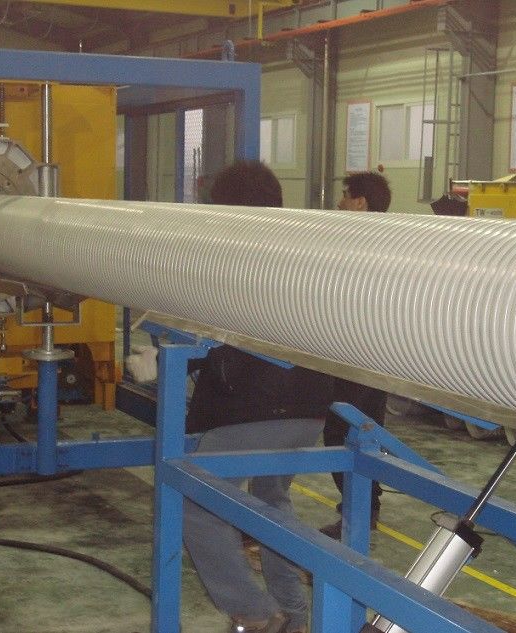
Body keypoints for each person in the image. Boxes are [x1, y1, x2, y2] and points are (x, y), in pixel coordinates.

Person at [183, 161, 333, 633]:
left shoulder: (236, 251)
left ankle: (253, 612)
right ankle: (294, 616)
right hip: (310, 407)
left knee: (195, 498)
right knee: (271, 503)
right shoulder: (306, 247)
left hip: (255, 407)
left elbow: (211, 328)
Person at [320, 171, 392, 539]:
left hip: (359, 354)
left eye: (346, 195)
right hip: (374, 353)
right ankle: (364, 507)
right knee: (364, 428)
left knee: (341, 430)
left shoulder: (360, 245)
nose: (340, 202)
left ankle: (361, 510)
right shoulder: (388, 241)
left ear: (360, 202)